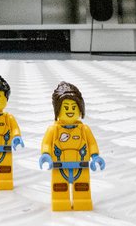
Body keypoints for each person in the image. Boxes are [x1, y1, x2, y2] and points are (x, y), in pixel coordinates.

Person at [39, 81, 105, 211]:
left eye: (74, 107)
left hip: (81, 167)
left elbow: (91, 143)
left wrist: (96, 156)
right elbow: (46, 143)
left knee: (82, 190)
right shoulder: (53, 130)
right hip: (59, 167)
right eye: (66, 107)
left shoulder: (84, 129)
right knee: (59, 190)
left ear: (80, 109)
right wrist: (46, 154)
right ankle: (60, 202)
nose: (70, 111)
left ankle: (82, 201)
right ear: (58, 110)